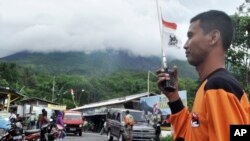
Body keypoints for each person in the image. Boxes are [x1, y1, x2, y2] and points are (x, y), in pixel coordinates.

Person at [157, 10, 250, 141]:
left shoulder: (219, 87)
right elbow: (190, 135)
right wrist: (174, 97)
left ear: (213, 37)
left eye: (190, 36)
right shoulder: (208, 86)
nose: (185, 45)